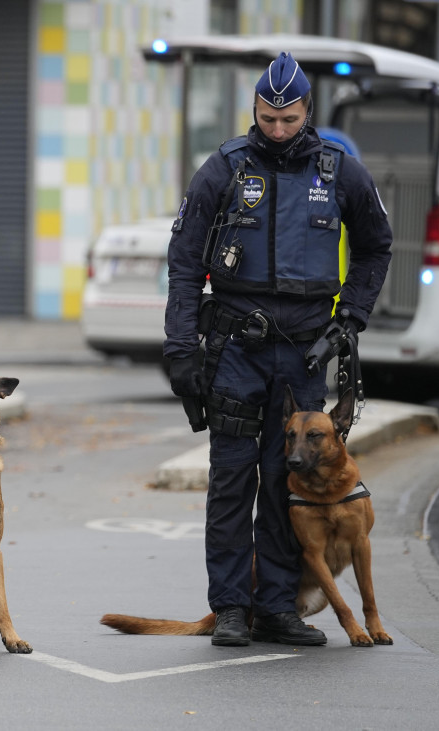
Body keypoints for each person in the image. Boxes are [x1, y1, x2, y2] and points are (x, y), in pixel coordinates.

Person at [164, 52, 392, 647]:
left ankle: (278, 607)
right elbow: (185, 261)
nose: (278, 131)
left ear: (306, 113)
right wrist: (180, 347)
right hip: (236, 349)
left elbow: (376, 248)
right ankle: (233, 608)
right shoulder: (224, 168)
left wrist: (351, 320)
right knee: (234, 479)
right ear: (255, 112)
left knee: (289, 482)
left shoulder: (340, 171)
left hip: (306, 355)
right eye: (268, 119)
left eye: (289, 120)